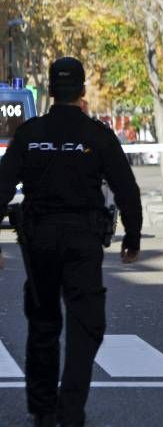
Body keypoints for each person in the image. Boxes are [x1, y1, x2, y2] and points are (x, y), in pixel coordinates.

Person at [0, 57, 142, 427]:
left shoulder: (29, 134)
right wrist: (133, 237)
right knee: (86, 326)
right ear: (82, 90)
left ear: (49, 90)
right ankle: (71, 408)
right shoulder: (97, 135)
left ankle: (43, 410)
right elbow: (127, 189)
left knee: (43, 324)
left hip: (39, 240)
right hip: (83, 239)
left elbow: (0, 187)